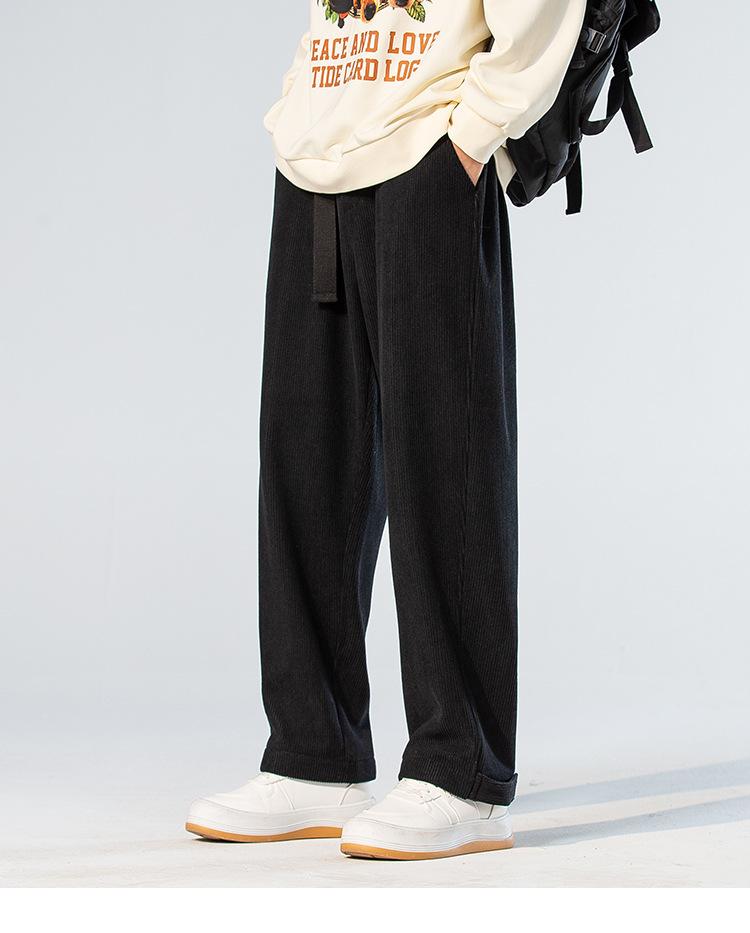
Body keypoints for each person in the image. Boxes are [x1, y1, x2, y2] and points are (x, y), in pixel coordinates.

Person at [186, 0, 586, 861]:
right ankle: (314, 754)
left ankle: (463, 773)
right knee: (305, 461)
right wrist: (301, 108)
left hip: (430, 153)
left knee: (447, 461)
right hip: (317, 160)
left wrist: (473, 136)